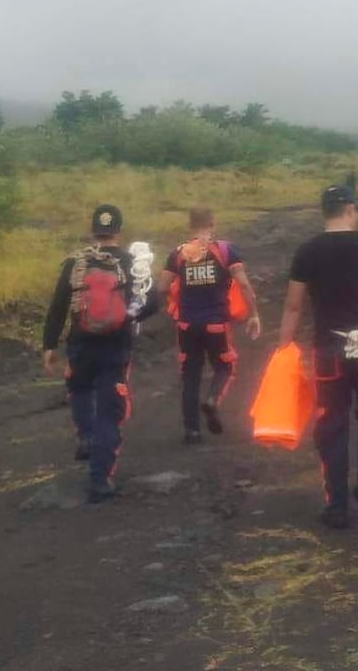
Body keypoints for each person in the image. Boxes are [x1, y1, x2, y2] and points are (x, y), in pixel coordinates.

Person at [278, 185, 358, 528]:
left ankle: (336, 506)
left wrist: (283, 347)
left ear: (325, 212)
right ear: (350, 209)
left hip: (328, 351)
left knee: (331, 424)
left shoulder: (307, 250)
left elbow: (293, 305)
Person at [42, 204, 159, 503]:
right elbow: (152, 302)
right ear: (118, 232)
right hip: (115, 346)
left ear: (94, 231)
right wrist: (129, 316)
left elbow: (58, 306)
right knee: (110, 412)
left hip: (80, 343)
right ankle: (99, 481)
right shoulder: (133, 263)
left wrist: (49, 346)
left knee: (79, 387)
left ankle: (86, 434)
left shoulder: (76, 263)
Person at [158, 208, 261, 445]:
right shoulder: (225, 250)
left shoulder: (178, 254)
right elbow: (243, 284)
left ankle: (191, 431)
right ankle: (213, 399)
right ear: (212, 223)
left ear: (190, 225)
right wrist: (253, 314)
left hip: (186, 324)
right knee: (225, 367)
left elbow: (162, 287)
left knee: (190, 375)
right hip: (216, 323)